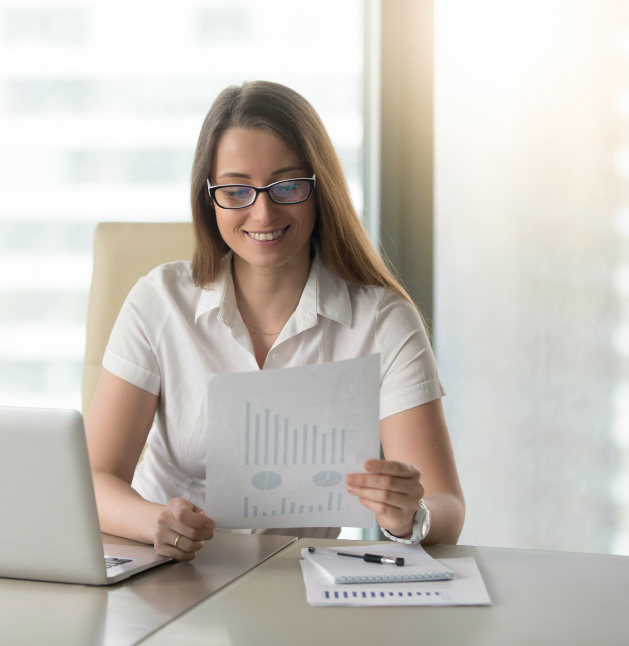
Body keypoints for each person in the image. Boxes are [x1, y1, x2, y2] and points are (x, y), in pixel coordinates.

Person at [85, 81, 465, 561]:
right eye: (236, 189)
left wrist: (410, 515)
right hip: (165, 572)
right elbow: (93, 479)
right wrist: (153, 522)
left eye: (286, 185)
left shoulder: (383, 322)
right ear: (209, 197)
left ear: (318, 187)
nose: (262, 211)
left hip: (294, 588)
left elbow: (447, 506)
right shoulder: (159, 303)